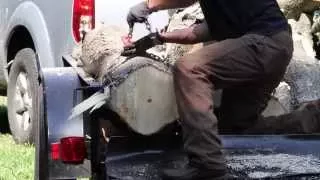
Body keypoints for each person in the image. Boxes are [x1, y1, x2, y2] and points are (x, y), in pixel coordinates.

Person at [126, 0, 320, 179]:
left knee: (190, 69)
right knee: (236, 127)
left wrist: (149, 5)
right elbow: (198, 32)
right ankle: (313, 118)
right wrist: (158, 38)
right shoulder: (223, 7)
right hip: (273, 45)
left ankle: (207, 164)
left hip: (265, 41)